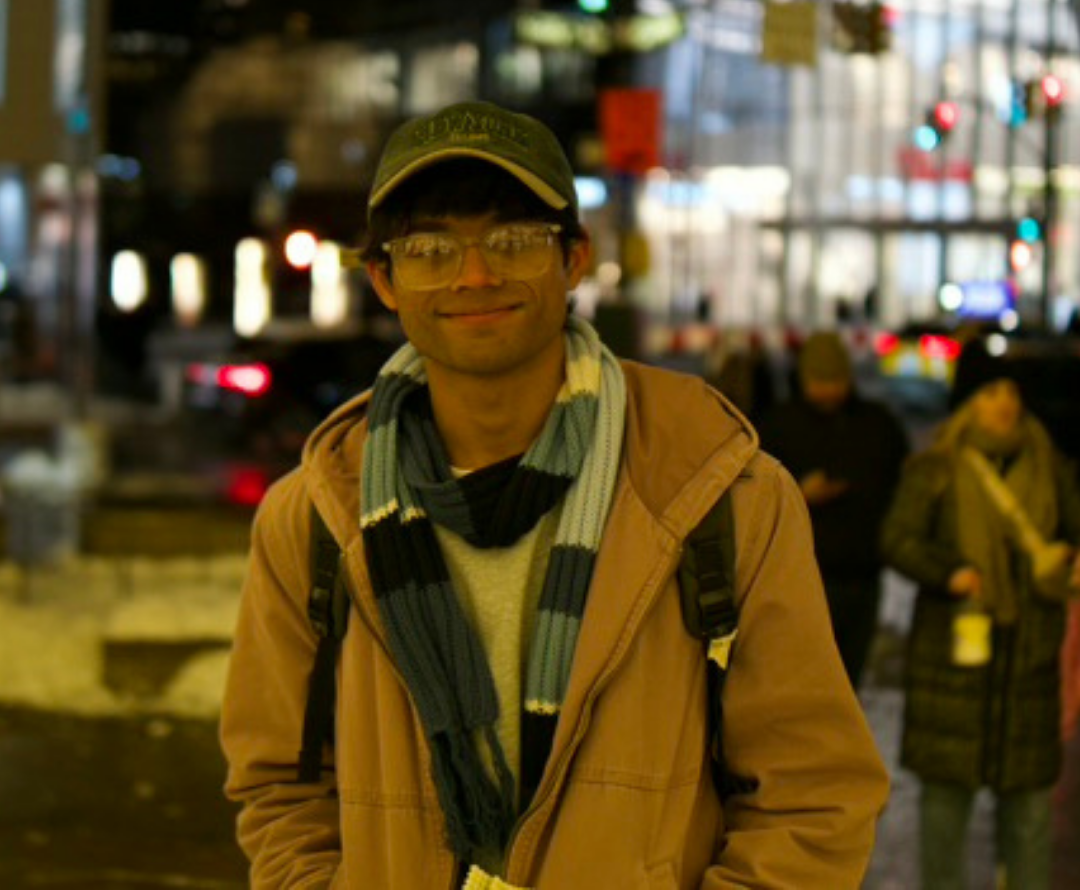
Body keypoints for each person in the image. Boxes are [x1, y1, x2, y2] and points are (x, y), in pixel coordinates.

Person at [220, 100, 889, 888]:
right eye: (431, 247)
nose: (475, 274)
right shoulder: (316, 518)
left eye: (513, 240)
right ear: (385, 280)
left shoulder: (720, 495)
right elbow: (280, 785)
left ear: (574, 260)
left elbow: (812, 796)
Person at [880, 361, 1080, 890]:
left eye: (1013, 390)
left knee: (1031, 812)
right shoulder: (936, 469)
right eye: (991, 391)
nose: (1005, 401)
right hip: (954, 662)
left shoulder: (1051, 468)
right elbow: (897, 539)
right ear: (970, 402)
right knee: (944, 807)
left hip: (1028, 660)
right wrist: (949, 573)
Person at [758, 331, 909, 686]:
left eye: (834, 380)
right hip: (801, 577)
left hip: (862, 574)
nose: (827, 391)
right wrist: (800, 494)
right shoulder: (779, 425)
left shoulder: (876, 424)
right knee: (802, 683)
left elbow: (898, 482)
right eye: (819, 382)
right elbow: (756, 495)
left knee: (847, 680)